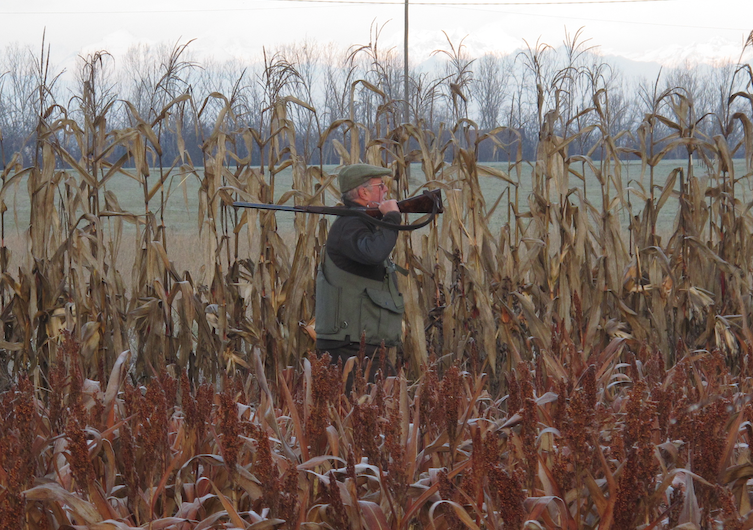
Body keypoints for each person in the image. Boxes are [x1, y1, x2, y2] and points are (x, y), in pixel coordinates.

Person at [315, 164, 404, 376]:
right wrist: (391, 217)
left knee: (384, 399)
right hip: (349, 345)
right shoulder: (350, 225)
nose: (385, 191)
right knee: (375, 402)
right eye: (380, 186)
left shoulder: (357, 222)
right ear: (364, 192)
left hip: (357, 341)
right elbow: (374, 252)